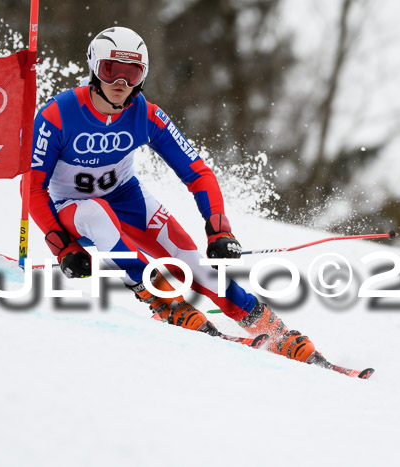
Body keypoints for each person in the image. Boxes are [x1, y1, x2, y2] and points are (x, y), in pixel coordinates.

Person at [29, 26, 320, 364]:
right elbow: (33, 188)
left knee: (195, 264)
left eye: (132, 72)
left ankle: (271, 329)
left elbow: (198, 173)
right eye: (111, 70)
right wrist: (64, 246)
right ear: (95, 67)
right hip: (73, 207)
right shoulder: (58, 114)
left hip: (126, 198)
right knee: (96, 212)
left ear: (142, 76)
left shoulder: (146, 115)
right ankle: (165, 302)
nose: (121, 82)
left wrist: (219, 229)